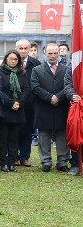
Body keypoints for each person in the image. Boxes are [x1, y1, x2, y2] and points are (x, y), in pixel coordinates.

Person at [30, 43, 72, 172]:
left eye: (55, 53)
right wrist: (49, 97)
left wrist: (58, 97)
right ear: (45, 53)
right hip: (44, 107)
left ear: (59, 54)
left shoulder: (66, 69)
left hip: (61, 106)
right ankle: (46, 161)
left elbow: (68, 86)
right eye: (50, 53)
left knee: (62, 135)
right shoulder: (36, 70)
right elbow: (35, 87)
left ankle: (62, 162)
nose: (52, 56)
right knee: (44, 135)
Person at [0, 50, 27, 172]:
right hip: (4, 110)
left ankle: (12, 161)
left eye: (15, 59)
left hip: (18, 111)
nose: (13, 61)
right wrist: (11, 103)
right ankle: (3, 162)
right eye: (11, 58)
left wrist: (19, 103)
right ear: (6, 59)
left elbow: (26, 90)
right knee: (3, 137)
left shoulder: (22, 73)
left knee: (14, 138)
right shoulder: (0, 72)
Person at [14, 38, 41, 166]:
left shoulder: (36, 63)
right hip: (14, 103)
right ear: (16, 49)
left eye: (26, 48)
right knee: (14, 130)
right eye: (21, 48)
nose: (23, 51)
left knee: (28, 130)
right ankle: (14, 156)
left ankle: (25, 156)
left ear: (30, 49)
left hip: (30, 104)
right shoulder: (11, 62)